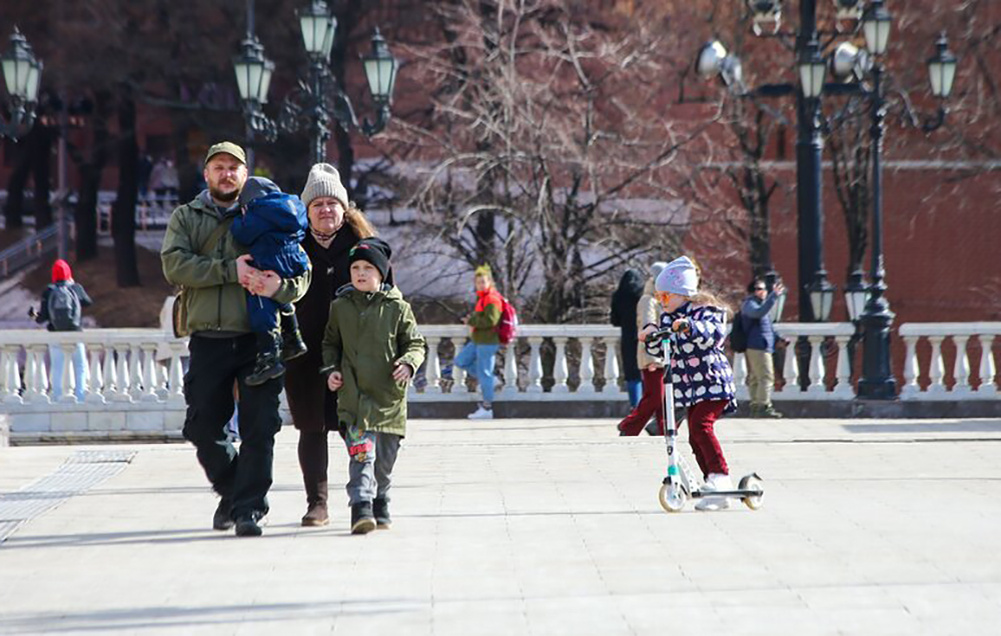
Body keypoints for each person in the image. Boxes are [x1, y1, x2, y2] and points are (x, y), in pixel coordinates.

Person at [161, 141, 311, 537]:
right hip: (208, 338)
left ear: (246, 175)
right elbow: (174, 265)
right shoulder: (187, 216)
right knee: (202, 426)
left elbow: (301, 272)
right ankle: (231, 492)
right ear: (206, 174)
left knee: (260, 427)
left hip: (259, 340)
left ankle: (249, 509)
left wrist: (281, 286)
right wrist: (231, 270)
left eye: (234, 168)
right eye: (218, 167)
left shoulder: (266, 212)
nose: (226, 174)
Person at [284, 162, 376, 527]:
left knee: (354, 426)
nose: (325, 210)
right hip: (304, 354)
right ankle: (317, 503)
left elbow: (389, 300)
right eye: (317, 204)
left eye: (332, 203)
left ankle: (365, 499)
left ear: (344, 208)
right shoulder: (292, 247)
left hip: (352, 355)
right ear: (307, 211)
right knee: (311, 426)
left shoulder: (364, 249)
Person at [322, 238, 426, 534]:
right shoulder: (340, 307)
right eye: (355, 267)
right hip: (354, 399)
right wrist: (331, 370)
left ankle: (381, 501)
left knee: (384, 462)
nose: (361, 273)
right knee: (361, 455)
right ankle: (361, 508)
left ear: (381, 273)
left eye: (368, 268)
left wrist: (408, 363)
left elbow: (415, 343)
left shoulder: (398, 308)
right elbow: (330, 344)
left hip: (389, 399)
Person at [640, 255, 737, 511]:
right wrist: (651, 336)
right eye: (659, 297)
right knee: (695, 435)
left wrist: (689, 326)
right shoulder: (667, 319)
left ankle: (721, 478)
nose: (662, 302)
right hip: (689, 388)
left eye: (665, 297)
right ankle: (712, 483)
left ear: (682, 294)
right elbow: (664, 351)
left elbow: (712, 334)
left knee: (700, 426)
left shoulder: (705, 311)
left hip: (713, 383)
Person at [230, 176, 310, 386]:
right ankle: (294, 336)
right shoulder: (293, 206)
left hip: (270, 260)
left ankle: (269, 356)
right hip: (295, 259)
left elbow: (243, 234)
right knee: (280, 296)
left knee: (260, 300)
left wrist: (238, 218)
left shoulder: (257, 212)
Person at [29, 259, 93, 401]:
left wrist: (33, 315)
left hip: (55, 334)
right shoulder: (75, 288)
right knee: (80, 366)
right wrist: (73, 285)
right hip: (75, 332)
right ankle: (80, 396)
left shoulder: (49, 291)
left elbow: (42, 318)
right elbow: (88, 302)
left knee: (57, 366)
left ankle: (57, 396)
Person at [616, 262, 667, 436]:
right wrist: (652, 358)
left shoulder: (661, 299)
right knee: (654, 396)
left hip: (663, 354)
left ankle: (662, 427)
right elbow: (648, 328)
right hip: (652, 354)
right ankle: (629, 425)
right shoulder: (648, 300)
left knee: (662, 397)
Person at [455, 265, 503, 420]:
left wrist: (472, 320)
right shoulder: (482, 297)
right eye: (478, 282)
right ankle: (492, 380)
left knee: (484, 374)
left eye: (483, 282)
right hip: (478, 339)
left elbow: (491, 320)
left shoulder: (492, 298)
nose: (481, 285)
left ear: (490, 282)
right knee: (461, 361)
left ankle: (487, 409)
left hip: (488, 341)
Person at [741, 278, 785, 418]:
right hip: (757, 346)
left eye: (764, 289)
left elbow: (768, 327)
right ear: (752, 291)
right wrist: (773, 297)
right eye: (760, 289)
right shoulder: (750, 304)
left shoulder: (760, 304)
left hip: (763, 344)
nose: (763, 292)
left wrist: (778, 338)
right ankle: (764, 406)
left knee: (755, 377)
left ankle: (755, 406)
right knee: (766, 376)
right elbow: (758, 313)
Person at [610, 268, 646, 408]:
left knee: (632, 374)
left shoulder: (618, 296)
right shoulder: (642, 296)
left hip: (628, 338)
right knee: (647, 371)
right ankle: (646, 405)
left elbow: (615, 320)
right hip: (644, 336)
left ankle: (634, 406)